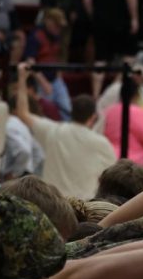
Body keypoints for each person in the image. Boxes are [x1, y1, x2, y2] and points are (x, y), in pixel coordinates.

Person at [13, 63, 115, 199]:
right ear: (93, 117)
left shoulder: (53, 131)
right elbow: (112, 179)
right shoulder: (102, 143)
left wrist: (22, 78)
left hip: (54, 204)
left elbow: (23, 113)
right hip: (85, 208)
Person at [103, 85, 143, 166]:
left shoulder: (108, 111)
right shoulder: (139, 113)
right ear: (136, 96)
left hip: (110, 159)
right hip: (133, 164)